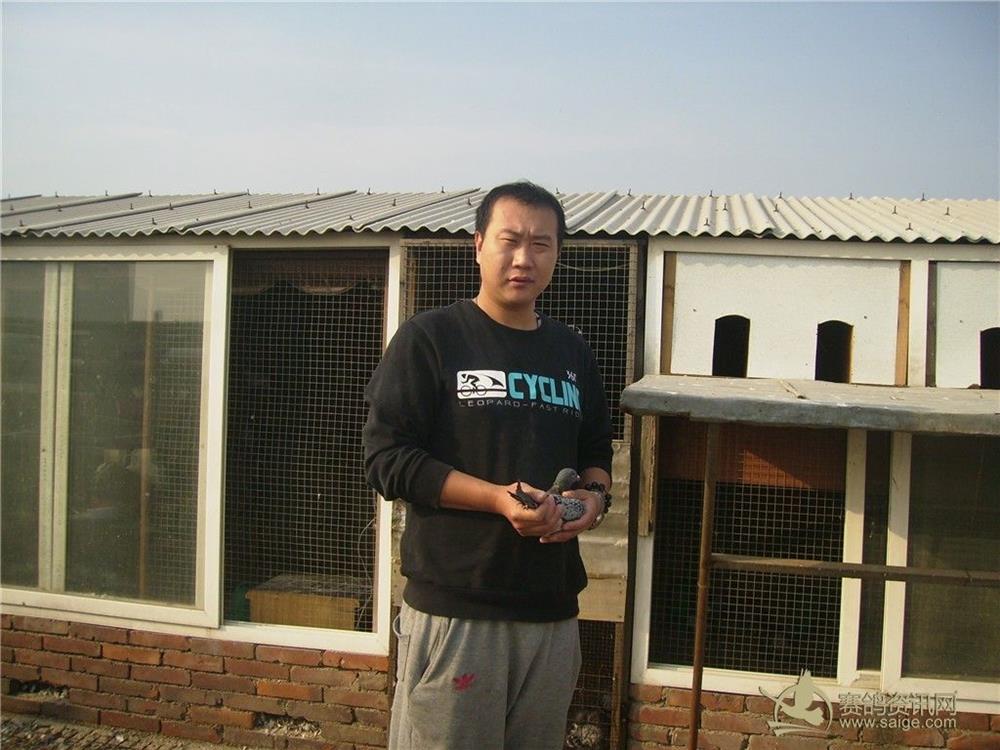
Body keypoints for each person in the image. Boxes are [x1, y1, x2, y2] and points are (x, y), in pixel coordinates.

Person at [363, 181, 613, 749]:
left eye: (541, 244)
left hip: (552, 614)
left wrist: (590, 501)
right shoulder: (431, 339)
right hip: (459, 611)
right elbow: (387, 459)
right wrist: (497, 499)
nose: (525, 258)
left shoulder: (572, 352)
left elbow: (596, 450)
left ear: (557, 254)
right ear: (478, 245)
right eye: (510, 240)